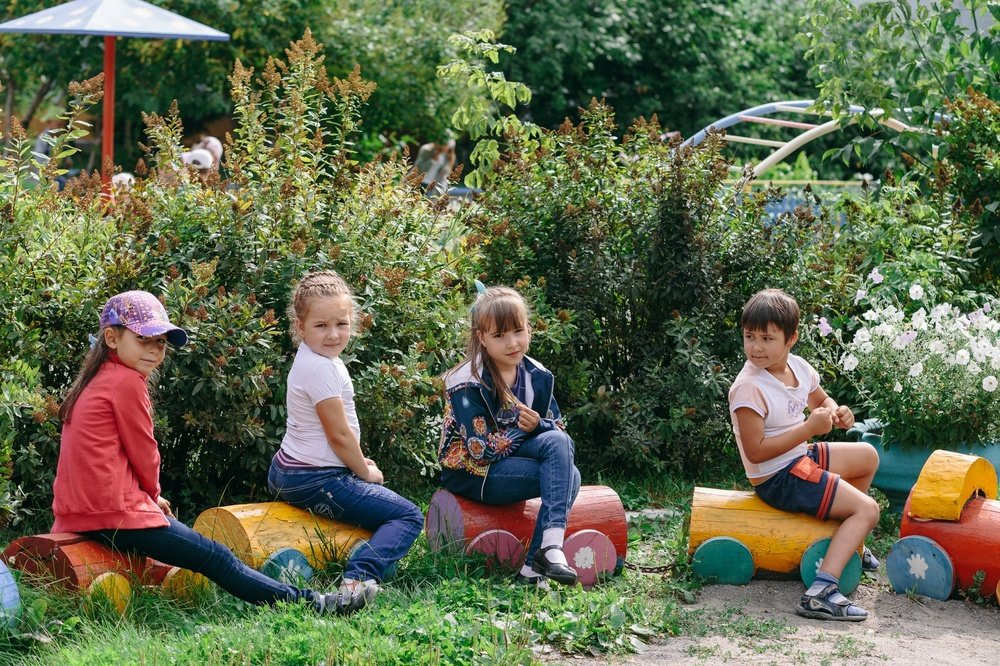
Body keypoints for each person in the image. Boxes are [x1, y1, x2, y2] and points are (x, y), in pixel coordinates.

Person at [52, 290, 364, 614]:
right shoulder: (126, 383)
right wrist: (153, 498)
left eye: (160, 342)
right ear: (112, 338)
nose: (154, 349)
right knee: (216, 556)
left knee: (179, 554)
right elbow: (144, 452)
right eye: (144, 339)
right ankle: (314, 604)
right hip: (116, 513)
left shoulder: (95, 381)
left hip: (78, 513)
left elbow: (94, 458)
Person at [268, 271, 423, 607]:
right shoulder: (321, 368)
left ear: (353, 321)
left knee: (375, 495)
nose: (333, 334)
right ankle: (358, 577)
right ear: (300, 327)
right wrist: (365, 473)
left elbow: (341, 436)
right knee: (407, 515)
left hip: (291, 469)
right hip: (313, 477)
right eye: (321, 326)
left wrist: (358, 461)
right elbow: (338, 435)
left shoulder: (317, 360)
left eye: (341, 323)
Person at [728, 288, 881, 621]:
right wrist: (808, 430)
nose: (755, 346)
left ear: (791, 339)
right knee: (868, 510)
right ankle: (821, 592)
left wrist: (838, 412)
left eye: (767, 338)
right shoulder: (748, 387)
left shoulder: (797, 368)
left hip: (799, 456)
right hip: (777, 477)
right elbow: (755, 453)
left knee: (867, 456)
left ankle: (848, 542)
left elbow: (821, 402)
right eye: (749, 336)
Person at [438, 284, 581, 587]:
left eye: (518, 331)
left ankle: (546, 552)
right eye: (500, 335)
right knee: (570, 477)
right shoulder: (467, 381)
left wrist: (539, 426)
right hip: (474, 474)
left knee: (560, 449)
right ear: (482, 338)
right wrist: (524, 429)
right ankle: (537, 563)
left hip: (511, 463)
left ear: (529, 328)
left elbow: (558, 431)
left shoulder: (537, 375)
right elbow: (480, 450)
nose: (512, 343)